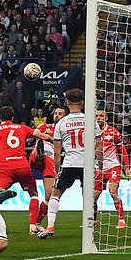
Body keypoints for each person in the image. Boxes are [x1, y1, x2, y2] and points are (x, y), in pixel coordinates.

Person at [0, 106, 53, 234]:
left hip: (5, 169)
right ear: (13, 118)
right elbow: (38, 134)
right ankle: (32, 226)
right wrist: (52, 139)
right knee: (34, 195)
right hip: (22, 167)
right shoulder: (22, 127)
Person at [38, 89, 103, 239]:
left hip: (69, 163)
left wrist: (56, 168)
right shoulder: (90, 121)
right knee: (88, 196)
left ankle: (50, 226)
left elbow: (56, 150)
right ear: (82, 103)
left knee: (55, 194)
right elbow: (99, 147)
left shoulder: (61, 123)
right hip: (87, 164)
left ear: (67, 102)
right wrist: (99, 166)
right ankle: (90, 225)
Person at [29, 106, 67, 231]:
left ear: (65, 117)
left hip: (52, 161)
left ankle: (37, 222)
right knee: (39, 153)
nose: (57, 115)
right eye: (55, 113)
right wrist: (48, 137)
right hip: (41, 156)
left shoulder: (66, 131)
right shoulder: (46, 126)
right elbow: (34, 133)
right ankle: (39, 152)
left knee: (49, 195)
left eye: (60, 113)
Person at [94, 110, 131, 229]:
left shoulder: (112, 131)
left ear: (106, 118)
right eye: (96, 116)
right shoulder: (90, 132)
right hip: (98, 168)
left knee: (113, 191)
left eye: (101, 116)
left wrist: (127, 167)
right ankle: (93, 220)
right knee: (92, 197)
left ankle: (121, 220)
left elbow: (122, 149)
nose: (98, 118)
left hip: (113, 166)